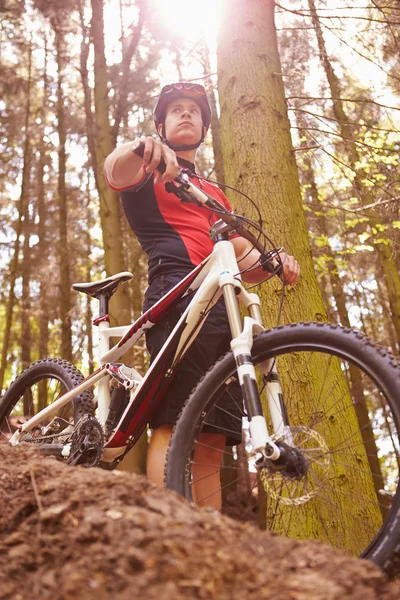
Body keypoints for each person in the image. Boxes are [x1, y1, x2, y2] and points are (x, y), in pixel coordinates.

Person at [104, 82, 300, 508]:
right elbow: (114, 169)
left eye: (194, 110)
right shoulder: (146, 164)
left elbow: (244, 256)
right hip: (176, 290)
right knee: (173, 423)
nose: (186, 114)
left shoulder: (215, 193)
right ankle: (169, 532)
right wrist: (141, 147)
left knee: (212, 437)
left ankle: (209, 540)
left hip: (222, 298)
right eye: (176, 110)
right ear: (162, 124)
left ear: (204, 127)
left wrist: (273, 261)